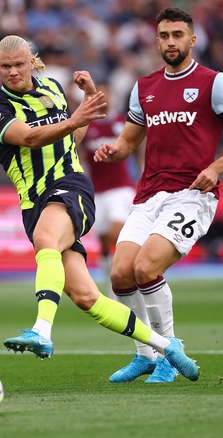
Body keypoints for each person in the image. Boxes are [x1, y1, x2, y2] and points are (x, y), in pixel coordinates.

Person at [0, 35, 200, 382]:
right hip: (33, 202)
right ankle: (166, 347)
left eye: (19, 64)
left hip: (69, 185)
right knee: (86, 297)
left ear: (31, 61)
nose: (13, 72)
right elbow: (31, 137)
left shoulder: (50, 87)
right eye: (5, 67)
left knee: (46, 241)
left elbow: (72, 139)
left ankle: (41, 331)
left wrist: (85, 98)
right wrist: (76, 115)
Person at [94, 7, 223, 383]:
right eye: (164, 35)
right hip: (149, 194)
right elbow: (128, 140)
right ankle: (146, 355)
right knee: (120, 275)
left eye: (177, 35)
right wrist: (114, 151)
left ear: (192, 39)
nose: (170, 42)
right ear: (157, 40)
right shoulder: (144, 87)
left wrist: (215, 168)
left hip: (191, 195)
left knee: (146, 268)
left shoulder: (212, 82)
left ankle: (169, 350)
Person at [78, 82, 138, 294]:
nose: (102, 98)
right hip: (97, 190)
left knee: (116, 233)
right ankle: (112, 287)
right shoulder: (86, 125)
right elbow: (76, 151)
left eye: (105, 93)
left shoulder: (122, 121)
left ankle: (136, 270)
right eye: (97, 94)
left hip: (121, 187)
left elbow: (139, 145)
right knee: (104, 241)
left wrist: (141, 173)